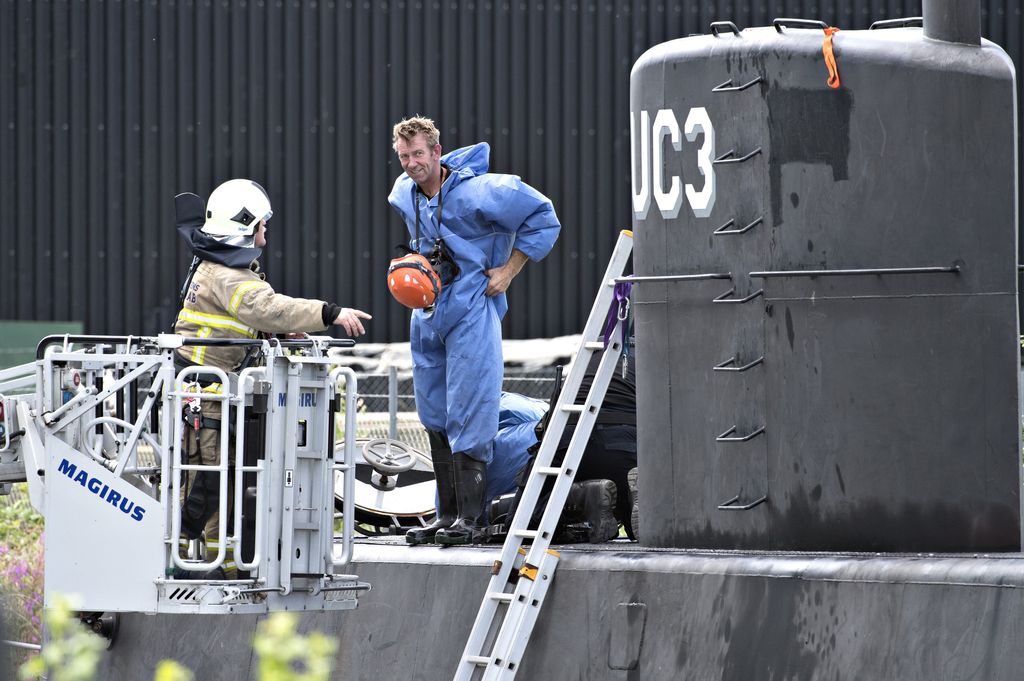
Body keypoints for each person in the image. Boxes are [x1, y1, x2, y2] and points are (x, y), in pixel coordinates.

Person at [172, 178, 371, 577]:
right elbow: (267, 308)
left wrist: (278, 335)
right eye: (262, 226)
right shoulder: (228, 276)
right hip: (206, 399)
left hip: (216, 395)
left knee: (222, 483)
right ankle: (193, 565)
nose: (265, 236)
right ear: (244, 226)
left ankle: (221, 563)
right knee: (207, 488)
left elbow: (245, 321)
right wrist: (329, 313)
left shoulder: (219, 269)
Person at [389, 116, 561, 545]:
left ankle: (473, 517)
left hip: (470, 308)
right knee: (433, 410)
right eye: (405, 156)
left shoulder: (483, 192)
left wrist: (508, 270)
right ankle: (445, 515)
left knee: (470, 406)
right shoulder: (402, 194)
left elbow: (544, 216)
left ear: (436, 150)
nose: (412, 164)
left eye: (419, 154)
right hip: (427, 312)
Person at [491, 352, 638, 543]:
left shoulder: (588, 353)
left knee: (519, 525)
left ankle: (584, 498)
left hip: (568, 442)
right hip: (627, 449)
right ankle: (642, 506)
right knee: (640, 524)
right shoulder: (653, 357)